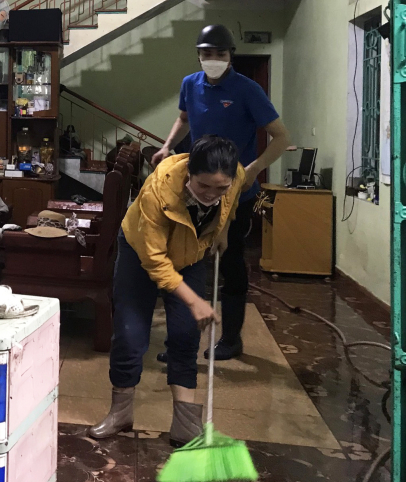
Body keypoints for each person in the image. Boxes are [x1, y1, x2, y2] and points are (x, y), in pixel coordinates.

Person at [89, 136, 246, 444]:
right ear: (189, 173)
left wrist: (224, 230)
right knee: (130, 334)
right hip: (141, 254)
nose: (212, 194)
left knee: (186, 336)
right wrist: (194, 301)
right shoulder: (158, 190)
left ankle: (185, 425)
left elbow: (234, 198)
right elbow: (156, 262)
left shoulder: (235, 175)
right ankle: (120, 413)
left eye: (220, 188)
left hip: (190, 255)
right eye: (203, 186)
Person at [150, 24, 289, 361]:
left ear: (230, 56)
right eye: (206, 53)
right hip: (196, 190)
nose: (213, 59)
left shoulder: (247, 89)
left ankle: (231, 339)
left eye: (220, 54)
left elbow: (281, 137)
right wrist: (167, 146)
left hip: (235, 193)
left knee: (230, 263)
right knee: (184, 261)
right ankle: (181, 343)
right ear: (198, 55)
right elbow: (183, 118)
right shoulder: (190, 84)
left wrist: (252, 170)